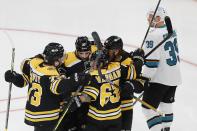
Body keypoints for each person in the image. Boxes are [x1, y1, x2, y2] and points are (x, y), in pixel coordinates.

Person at [4, 42, 85, 131]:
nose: (63, 59)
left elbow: (23, 81)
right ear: (55, 61)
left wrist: (15, 78)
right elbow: (58, 87)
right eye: (61, 57)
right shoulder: (50, 73)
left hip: (34, 113)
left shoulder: (35, 66)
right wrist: (74, 79)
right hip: (47, 115)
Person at [141, 7, 182, 131]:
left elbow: (152, 64)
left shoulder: (153, 36)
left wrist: (142, 80)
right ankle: (166, 129)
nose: (148, 19)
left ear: (158, 18)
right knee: (166, 106)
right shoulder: (172, 30)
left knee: (147, 108)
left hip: (159, 79)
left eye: (151, 16)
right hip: (174, 76)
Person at [104, 35, 146, 131]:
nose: (105, 52)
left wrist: (131, 85)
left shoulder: (128, 60)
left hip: (124, 106)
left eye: (108, 50)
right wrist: (138, 61)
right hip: (105, 107)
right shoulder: (104, 58)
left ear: (116, 51)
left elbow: (141, 83)